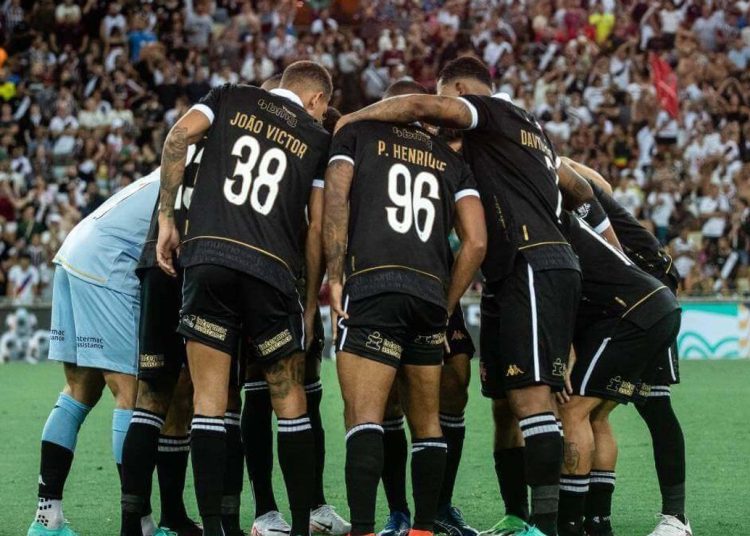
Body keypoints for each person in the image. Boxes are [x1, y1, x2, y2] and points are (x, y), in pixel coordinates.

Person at [336, 57, 594, 536]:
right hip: (504, 276)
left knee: (529, 401)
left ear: (456, 89)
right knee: (506, 402)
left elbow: (416, 105)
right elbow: (579, 187)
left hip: (522, 263)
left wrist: (349, 120)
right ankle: (479, 517)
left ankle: (540, 525)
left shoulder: (489, 114)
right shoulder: (520, 133)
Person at [156, 61, 332, 536]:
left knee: (210, 402)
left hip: (209, 257)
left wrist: (168, 220)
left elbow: (176, 138)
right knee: (289, 398)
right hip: (270, 272)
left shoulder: (229, 95)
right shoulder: (316, 139)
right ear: (316, 100)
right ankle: (299, 526)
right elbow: (316, 228)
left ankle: (214, 528)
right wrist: (311, 301)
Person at [324, 79, 487, 536]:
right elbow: (475, 242)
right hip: (428, 295)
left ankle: (362, 529)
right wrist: (445, 304)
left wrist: (334, 276)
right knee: (428, 422)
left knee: (365, 417)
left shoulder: (356, 134)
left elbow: (335, 198)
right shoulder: (450, 160)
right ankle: (423, 529)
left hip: (374, 282)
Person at [241, 82, 350, 536]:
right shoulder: (277, 131)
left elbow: (320, 226)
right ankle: (265, 509)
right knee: (259, 394)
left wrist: (313, 294)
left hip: (299, 285)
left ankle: (314, 505)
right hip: (261, 279)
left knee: (308, 396)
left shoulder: (317, 142)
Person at [27, 171, 163, 536]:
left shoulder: (167, 167)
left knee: (80, 391)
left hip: (74, 251)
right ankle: (140, 523)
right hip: (107, 263)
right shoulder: (200, 171)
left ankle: (47, 519)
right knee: (130, 392)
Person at [567, 160, 691, 536]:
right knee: (596, 408)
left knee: (653, 404)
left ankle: (677, 518)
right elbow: (598, 183)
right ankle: (594, 520)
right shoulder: (566, 183)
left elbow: (595, 187)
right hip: (615, 297)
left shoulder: (565, 185)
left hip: (644, 287)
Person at [119, 143, 205, 536]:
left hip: (155, 261)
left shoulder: (187, 149)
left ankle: (141, 523)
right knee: (210, 394)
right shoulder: (237, 144)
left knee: (159, 399)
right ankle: (217, 519)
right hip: (198, 264)